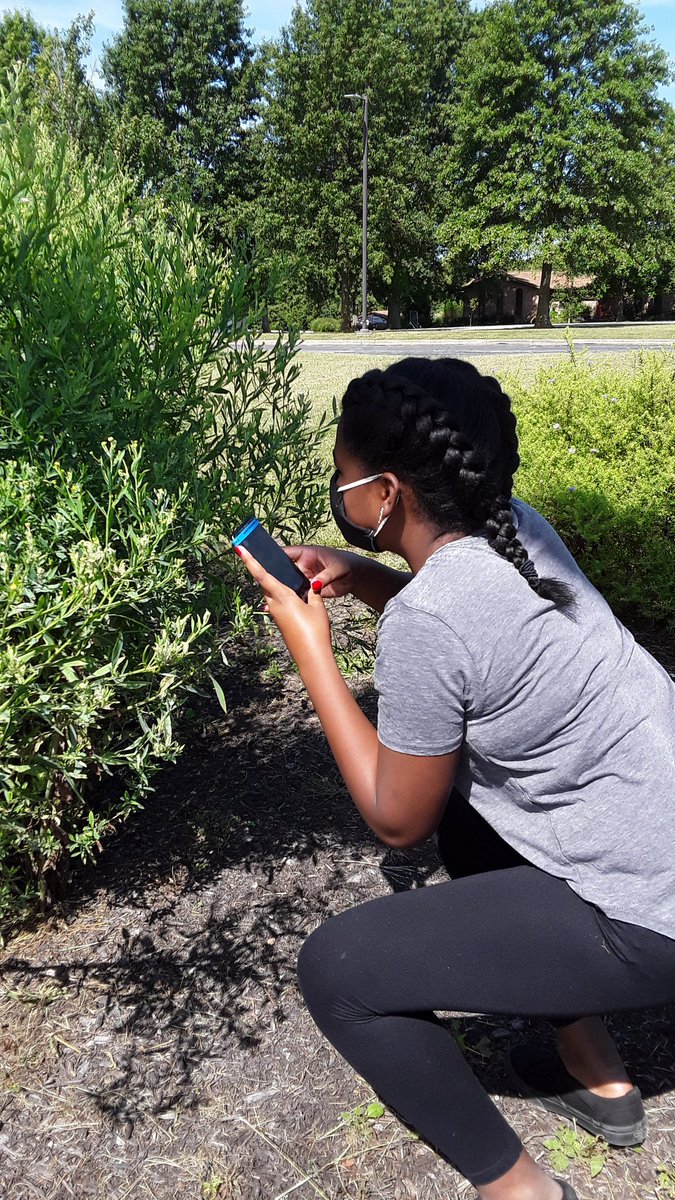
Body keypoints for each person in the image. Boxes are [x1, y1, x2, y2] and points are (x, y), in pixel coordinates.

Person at [235, 357, 675, 1200]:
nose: (337, 490)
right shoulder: (516, 530)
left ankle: (520, 1192)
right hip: (656, 842)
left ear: (384, 492)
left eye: (341, 476)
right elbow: (469, 633)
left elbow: (395, 821)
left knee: (339, 971)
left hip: (649, 915)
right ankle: (597, 1075)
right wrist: (362, 574)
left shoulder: (431, 619)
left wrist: (310, 649)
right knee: (467, 809)